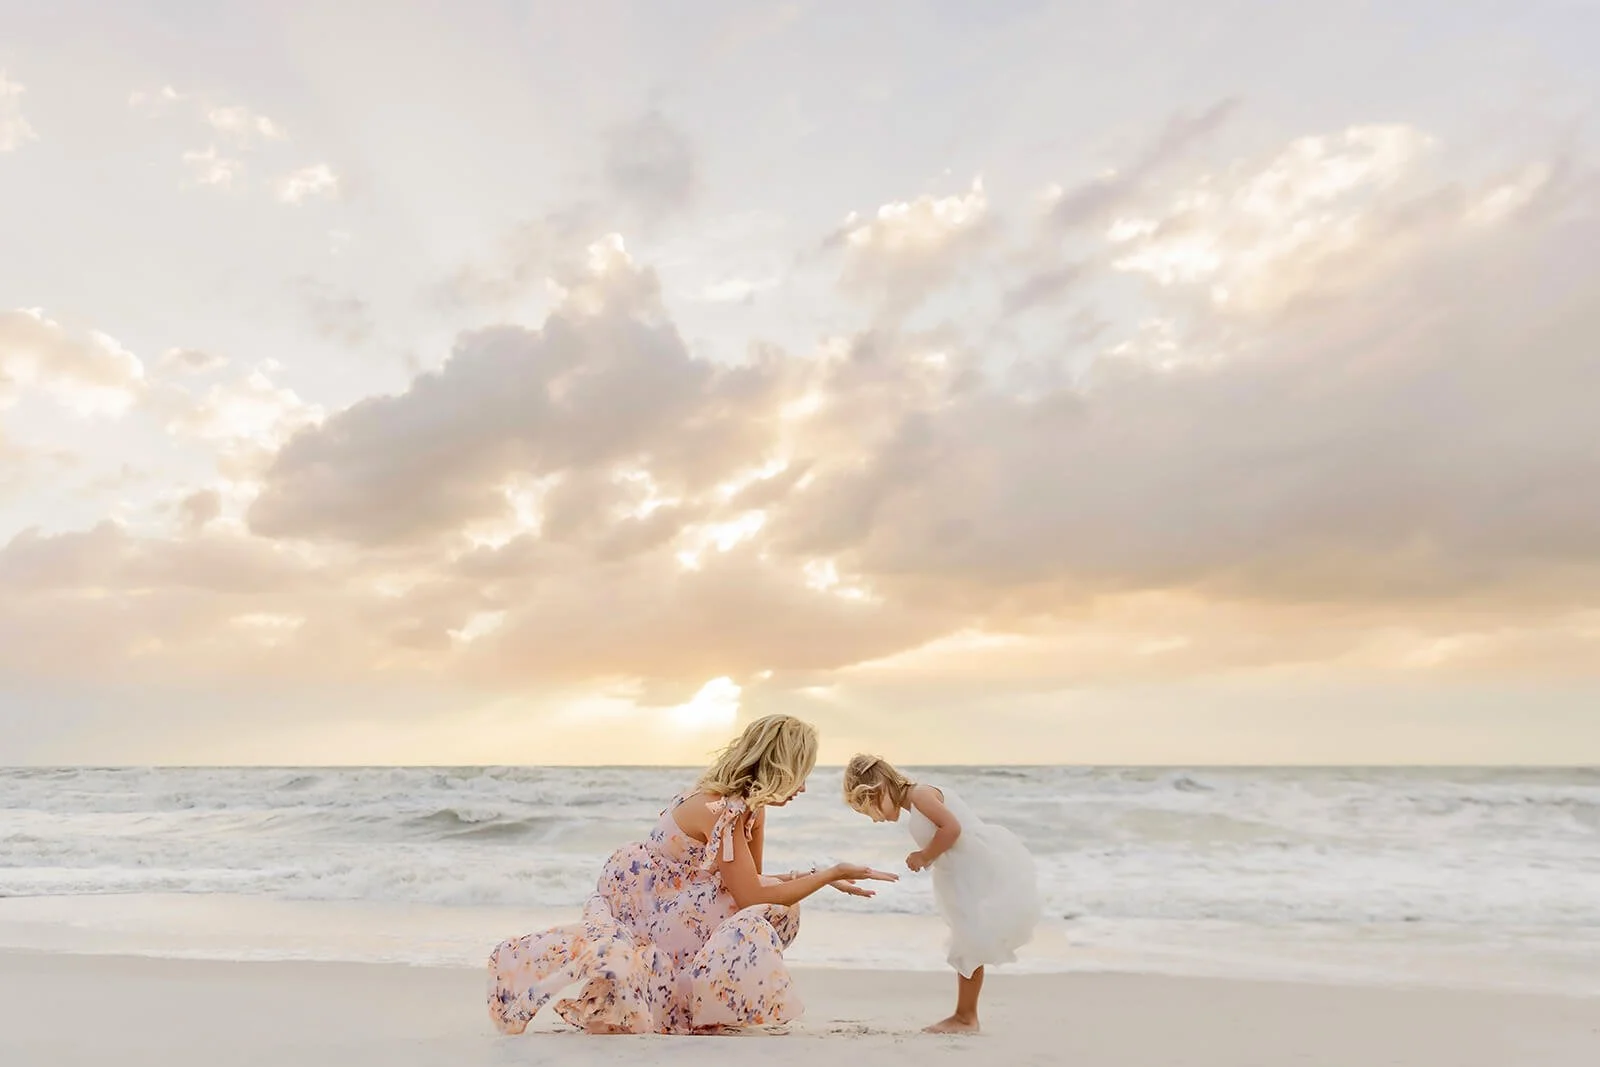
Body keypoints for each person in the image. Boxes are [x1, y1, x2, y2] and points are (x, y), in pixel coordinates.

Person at [488, 715, 897, 1035]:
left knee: (780, 905)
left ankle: (705, 1002)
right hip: (647, 907)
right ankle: (696, 1004)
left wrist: (809, 875)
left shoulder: (750, 807)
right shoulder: (722, 810)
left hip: (681, 899)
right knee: (767, 912)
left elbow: (745, 880)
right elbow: (750, 896)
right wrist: (825, 875)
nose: (804, 787)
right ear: (779, 766)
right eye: (801, 773)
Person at [841, 754, 1041, 1034]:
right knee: (967, 940)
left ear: (879, 787)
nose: (875, 818)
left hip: (974, 871)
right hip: (961, 874)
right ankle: (965, 1014)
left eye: (870, 807)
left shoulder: (922, 794)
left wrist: (925, 855)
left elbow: (952, 828)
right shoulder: (915, 804)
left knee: (969, 941)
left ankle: (966, 1017)